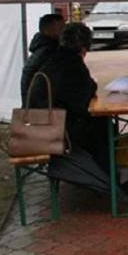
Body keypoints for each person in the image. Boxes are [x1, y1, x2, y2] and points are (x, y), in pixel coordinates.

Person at [29, 23, 111, 170]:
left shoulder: (54, 57)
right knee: (104, 127)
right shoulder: (72, 64)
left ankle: (98, 175)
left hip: (38, 122)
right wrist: (92, 86)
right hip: (57, 129)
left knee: (100, 124)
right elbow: (82, 101)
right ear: (84, 47)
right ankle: (106, 180)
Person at [20, 13, 65, 103]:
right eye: (60, 28)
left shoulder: (41, 48)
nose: (64, 31)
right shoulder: (51, 52)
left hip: (33, 105)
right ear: (46, 31)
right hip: (43, 108)